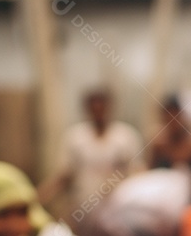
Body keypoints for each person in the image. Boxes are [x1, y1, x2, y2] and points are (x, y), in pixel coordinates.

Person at [43, 88, 145, 223]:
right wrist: (42, 196)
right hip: (83, 208)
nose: (98, 112)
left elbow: (138, 173)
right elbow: (65, 175)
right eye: (94, 108)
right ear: (87, 109)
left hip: (119, 211)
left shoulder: (126, 136)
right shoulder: (75, 137)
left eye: (102, 108)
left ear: (110, 108)